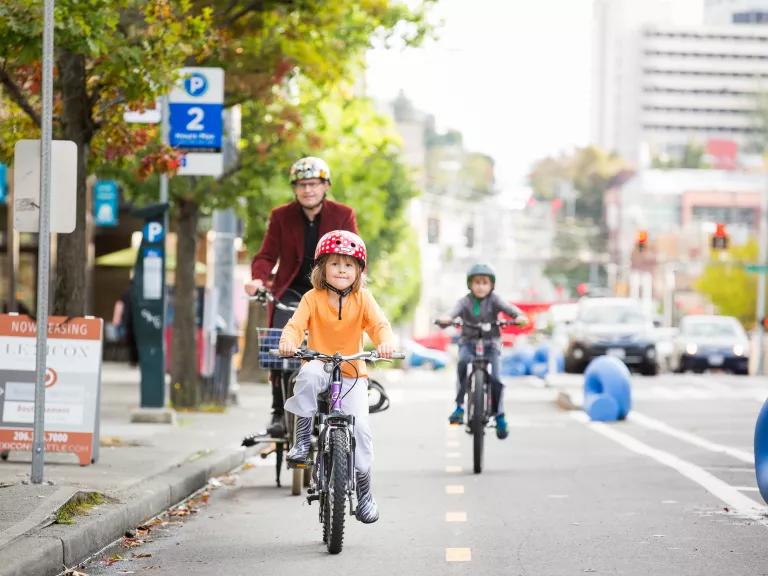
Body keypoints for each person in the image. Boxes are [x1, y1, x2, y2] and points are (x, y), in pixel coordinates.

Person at [279, 230, 394, 524]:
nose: (342, 270)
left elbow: (380, 325)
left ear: (358, 271)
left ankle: (365, 492)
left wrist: (385, 343)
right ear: (322, 268)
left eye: (349, 265)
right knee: (304, 379)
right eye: (335, 264)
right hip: (318, 362)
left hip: (353, 371)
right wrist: (288, 342)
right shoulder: (311, 298)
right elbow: (294, 326)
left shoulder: (363, 299)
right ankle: (303, 440)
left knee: (363, 433)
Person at [244, 157, 358, 436]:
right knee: (282, 345)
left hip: (330, 292)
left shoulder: (343, 214)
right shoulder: (281, 216)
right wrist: (258, 279)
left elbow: (354, 252)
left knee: (337, 349)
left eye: (314, 184)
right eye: (302, 185)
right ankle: (277, 411)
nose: (308, 190)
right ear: (295, 188)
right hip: (291, 291)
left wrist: (353, 282)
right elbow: (267, 255)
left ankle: (337, 402)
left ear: (326, 186)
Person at [437, 263, 526, 440]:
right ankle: (459, 407)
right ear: (470, 284)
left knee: (496, 378)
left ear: (492, 285)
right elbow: (453, 312)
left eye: (485, 282)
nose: (480, 286)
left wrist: (518, 317)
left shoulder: (495, 300)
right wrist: (446, 318)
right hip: (468, 342)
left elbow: (511, 310)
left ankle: (499, 415)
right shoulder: (465, 301)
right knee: (462, 364)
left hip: (491, 343)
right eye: (477, 282)